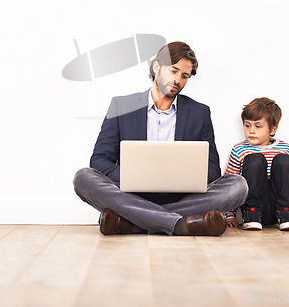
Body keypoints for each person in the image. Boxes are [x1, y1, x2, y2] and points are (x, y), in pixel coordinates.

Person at [74, 41, 247, 236]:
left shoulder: (200, 113)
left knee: (237, 185)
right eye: (173, 71)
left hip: (182, 196)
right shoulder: (121, 106)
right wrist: (132, 177)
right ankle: (181, 224)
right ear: (156, 66)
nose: (178, 80)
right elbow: (98, 160)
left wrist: (183, 178)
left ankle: (133, 223)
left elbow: (212, 169)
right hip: (132, 194)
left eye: (184, 76)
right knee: (83, 178)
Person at [225, 97, 289, 231]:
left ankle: (286, 215)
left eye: (258, 126)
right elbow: (231, 184)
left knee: (284, 160)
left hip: (278, 208)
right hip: (253, 207)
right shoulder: (239, 150)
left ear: (272, 129)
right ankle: (252, 216)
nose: (251, 130)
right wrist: (229, 215)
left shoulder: (285, 149)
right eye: (247, 125)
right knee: (254, 159)